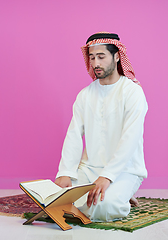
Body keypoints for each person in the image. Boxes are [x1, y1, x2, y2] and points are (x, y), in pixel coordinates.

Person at [54, 32, 148, 222]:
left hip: (125, 170)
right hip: (88, 169)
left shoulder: (133, 93)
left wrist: (107, 177)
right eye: (92, 57)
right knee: (56, 201)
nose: (95, 63)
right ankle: (119, 194)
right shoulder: (85, 95)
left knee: (103, 208)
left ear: (117, 56)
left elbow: (130, 139)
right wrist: (65, 172)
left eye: (101, 56)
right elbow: (73, 135)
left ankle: (119, 192)